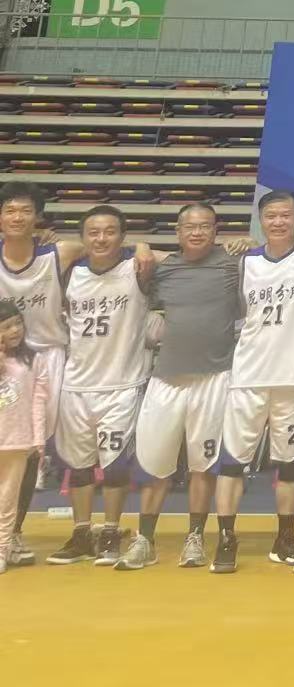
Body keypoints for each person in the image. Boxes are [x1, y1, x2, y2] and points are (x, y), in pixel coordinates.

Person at [117, 202, 242, 572]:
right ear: (178, 231)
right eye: (190, 226)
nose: (197, 232)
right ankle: (145, 540)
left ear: (216, 230)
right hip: (166, 379)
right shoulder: (165, 267)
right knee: (155, 465)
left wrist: (248, 242)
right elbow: (122, 251)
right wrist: (142, 245)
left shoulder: (233, 263)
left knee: (203, 466)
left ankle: (195, 538)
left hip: (214, 379)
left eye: (205, 225)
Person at [211, 190, 294, 574]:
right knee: (232, 463)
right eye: (271, 215)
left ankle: (285, 538)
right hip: (249, 377)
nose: (278, 222)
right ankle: (226, 538)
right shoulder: (245, 260)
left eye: (286, 215)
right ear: (261, 220)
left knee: (290, 465)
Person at [48, 206, 150, 566]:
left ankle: (110, 531)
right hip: (76, 385)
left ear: (122, 236)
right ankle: (81, 533)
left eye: (109, 231)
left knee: (115, 466)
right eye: (93, 232)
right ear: (83, 238)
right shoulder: (69, 273)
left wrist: (143, 247)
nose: (101, 238)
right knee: (78, 467)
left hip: (121, 385)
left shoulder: (136, 268)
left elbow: (170, 255)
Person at [0, 180, 79, 567]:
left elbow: (114, 246)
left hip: (46, 359)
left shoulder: (59, 252)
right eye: (10, 210)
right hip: (4, 360)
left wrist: (144, 249)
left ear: (38, 217)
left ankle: (12, 533)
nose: (17, 217)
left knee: (29, 450)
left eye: (25, 210)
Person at [0, 298, 51, 574]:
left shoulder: (34, 360)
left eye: (18, 323)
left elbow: (38, 402)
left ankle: (3, 548)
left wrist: (38, 439)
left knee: (8, 501)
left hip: (17, 442)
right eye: (7, 326)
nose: (15, 330)